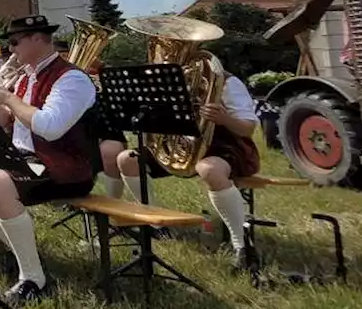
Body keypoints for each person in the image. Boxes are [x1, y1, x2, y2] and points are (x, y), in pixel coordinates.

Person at [0, 16, 97, 304]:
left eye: (15, 42)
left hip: (64, 165)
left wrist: (9, 98)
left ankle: (33, 278)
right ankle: (17, 247)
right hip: (21, 157)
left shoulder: (71, 78)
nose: (10, 50)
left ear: (38, 38)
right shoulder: (26, 76)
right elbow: (5, 122)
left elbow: (50, 126)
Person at [112, 64, 261, 267]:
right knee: (126, 159)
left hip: (222, 146)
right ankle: (156, 223)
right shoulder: (164, 81)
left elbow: (248, 128)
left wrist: (224, 119)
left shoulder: (227, 82)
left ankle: (241, 243)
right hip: (177, 146)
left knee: (209, 169)